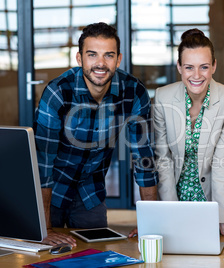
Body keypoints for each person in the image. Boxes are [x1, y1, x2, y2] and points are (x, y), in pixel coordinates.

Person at [33, 22, 158, 246]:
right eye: (92, 55)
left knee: (95, 255)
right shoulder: (58, 92)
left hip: (91, 193)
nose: (100, 63)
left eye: (108, 55)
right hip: (51, 190)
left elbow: (144, 159)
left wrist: (149, 222)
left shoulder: (134, 92)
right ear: (80, 59)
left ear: (118, 59)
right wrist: (46, 228)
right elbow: (43, 165)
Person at [153, 28, 224, 236]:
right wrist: (170, 211)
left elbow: (223, 163)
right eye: (189, 67)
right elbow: (163, 160)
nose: (196, 76)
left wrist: (223, 220)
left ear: (214, 66)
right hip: (175, 196)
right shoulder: (163, 98)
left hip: (217, 198)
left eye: (204, 67)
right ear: (179, 66)